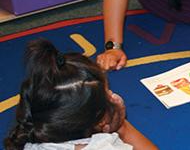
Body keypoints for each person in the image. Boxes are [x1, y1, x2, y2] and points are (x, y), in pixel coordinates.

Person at [3, 39, 157, 150]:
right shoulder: (105, 147)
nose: (111, 95)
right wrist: (122, 126)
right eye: (106, 94)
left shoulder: (31, 141)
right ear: (99, 120)